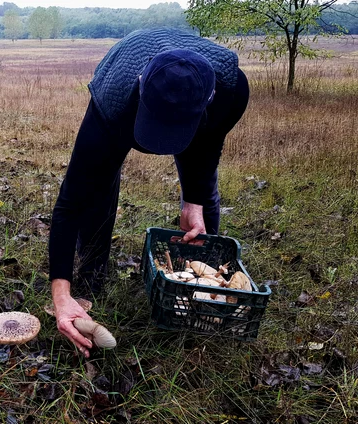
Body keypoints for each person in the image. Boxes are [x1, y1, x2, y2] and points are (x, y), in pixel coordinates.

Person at [48, 28, 250, 358]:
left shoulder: (232, 89)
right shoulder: (112, 102)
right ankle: (91, 279)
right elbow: (70, 203)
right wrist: (60, 292)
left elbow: (210, 142)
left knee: (204, 198)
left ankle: (201, 287)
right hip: (121, 89)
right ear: (141, 86)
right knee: (97, 189)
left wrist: (194, 201)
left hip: (198, 111)